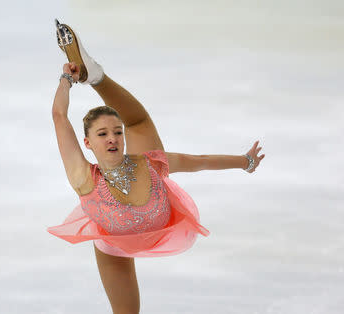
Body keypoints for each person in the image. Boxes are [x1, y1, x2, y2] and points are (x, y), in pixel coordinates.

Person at [48, 19, 265, 314]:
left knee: (137, 122)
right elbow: (60, 117)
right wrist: (66, 80)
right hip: (113, 246)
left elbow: (198, 162)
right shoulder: (83, 177)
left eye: (116, 132)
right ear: (88, 143)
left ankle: (97, 76)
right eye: (102, 134)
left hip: (154, 225)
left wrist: (245, 162)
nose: (112, 139)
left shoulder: (151, 164)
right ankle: (93, 76)